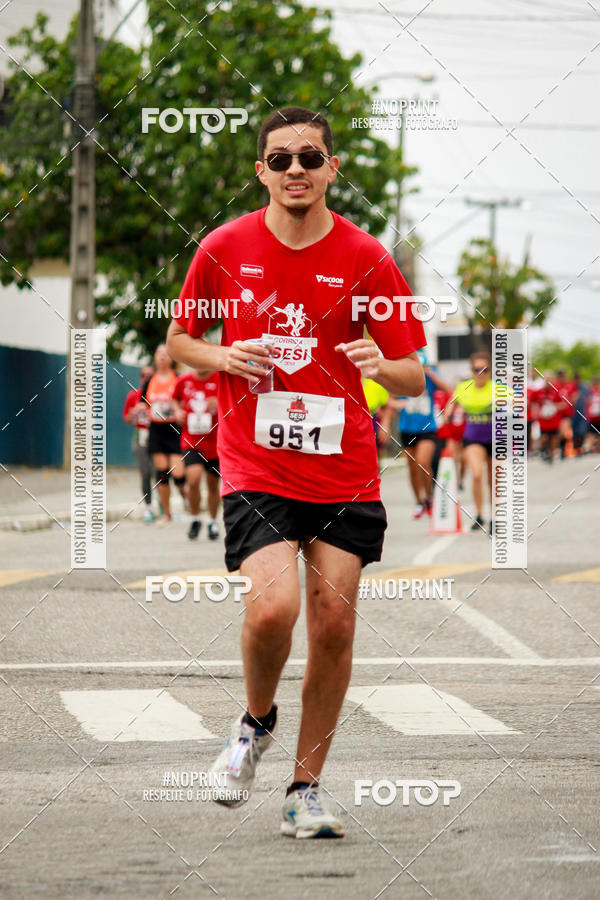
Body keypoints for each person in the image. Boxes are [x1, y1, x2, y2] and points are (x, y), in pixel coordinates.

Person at [166, 106, 425, 838]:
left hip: (344, 471)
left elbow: (413, 372)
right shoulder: (224, 246)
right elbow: (181, 338)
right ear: (262, 172)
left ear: (332, 169)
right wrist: (221, 355)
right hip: (257, 463)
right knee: (273, 610)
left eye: (310, 157)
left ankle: (304, 791)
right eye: (281, 159)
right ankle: (254, 723)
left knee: (334, 625)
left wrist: (383, 365)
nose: (296, 170)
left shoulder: (367, 257)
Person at [393, 351, 450, 519]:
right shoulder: (403, 378)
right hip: (407, 428)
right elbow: (389, 398)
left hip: (427, 428)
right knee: (412, 468)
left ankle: (429, 498)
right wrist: (396, 403)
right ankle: (419, 502)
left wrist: (429, 372)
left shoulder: (429, 377)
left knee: (423, 463)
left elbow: (447, 389)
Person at [444, 351, 495, 533]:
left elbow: (517, 403)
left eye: (484, 369)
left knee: (494, 479)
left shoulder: (498, 388)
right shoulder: (463, 387)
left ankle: (495, 517)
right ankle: (480, 514)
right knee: (477, 474)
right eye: (476, 369)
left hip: (496, 439)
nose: (480, 373)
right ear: (471, 371)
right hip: (473, 438)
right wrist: (448, 413)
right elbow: (451, 403)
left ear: (490, 371)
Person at [172, 368, 221, 540]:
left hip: (215, 441)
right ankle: (195, 518)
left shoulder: (220, 378)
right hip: (191, 440)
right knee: (193, 480)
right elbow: (174, 399)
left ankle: (212, 521)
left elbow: (235, 402)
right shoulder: (183, 380)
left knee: (213, 485)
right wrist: (177, 411)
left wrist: (220, 403)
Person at [143, 344, 186, 524]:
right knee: (162, 474)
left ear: (171, 358)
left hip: (174, 430)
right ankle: (166, 514)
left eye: (165, 353)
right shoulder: (150, 380)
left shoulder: (178, 378)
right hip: (156, 430)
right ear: (155, 357)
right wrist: (141, 409)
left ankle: (186, 498)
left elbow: (185, 401)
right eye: (158, 353)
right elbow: (143, 402)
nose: (161, 356)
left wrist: (179, 411)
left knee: (179, 474)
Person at [122, 365, 155, 522]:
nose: (146, 378)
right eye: (143, 375)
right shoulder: (133, 395)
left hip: (157, 436)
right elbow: (126, 419)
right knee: (145, 473)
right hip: (140, 436)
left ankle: (163, 503)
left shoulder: (158, 394)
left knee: (160, 472)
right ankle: (149, 507)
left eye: (150, 375)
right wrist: (134, 412)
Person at [362, 376, 392, 463]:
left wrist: (385, 424)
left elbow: (387, 405)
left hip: (373, 426)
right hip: (348, 430)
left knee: (374, 462)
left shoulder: (374, 382)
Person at [584, 374, 600, 453]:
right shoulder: (589, 392)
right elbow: (586, 402)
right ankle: (587, 449)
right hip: (592, 418)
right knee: (590, 434)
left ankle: (597, 449)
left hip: (599, 417)